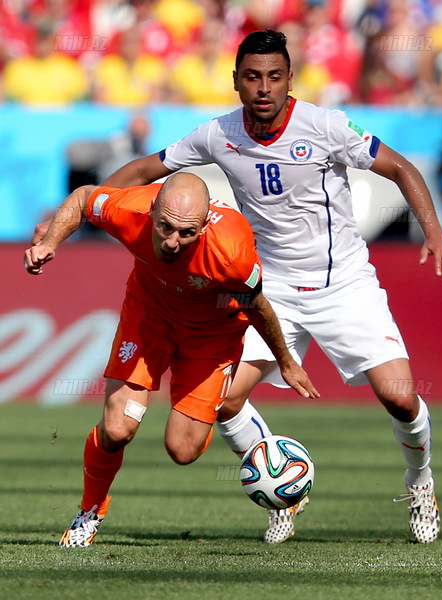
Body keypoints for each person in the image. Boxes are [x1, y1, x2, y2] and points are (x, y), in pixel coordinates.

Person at [37, 29, 442, 545]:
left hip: (343, 284)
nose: (264, 88)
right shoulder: (218, 134)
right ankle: (281, 489)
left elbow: (400, 167)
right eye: (253, 77)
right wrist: (76, 214)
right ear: (236, 81)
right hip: (265, 287)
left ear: (289, 80)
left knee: (400, 397)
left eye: (275, 77)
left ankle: (420, 483)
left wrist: (434, 233)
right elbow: (150, 168)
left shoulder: (326, 126)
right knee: (227, 403)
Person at [24, 172, 318, 548]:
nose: (172, 241)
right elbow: (83, 198)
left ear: (205, 223)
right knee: (116, 430)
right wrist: (51, 242)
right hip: (148, 320)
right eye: (165, 227)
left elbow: (258, 307)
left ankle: (255, 446)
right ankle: (90, 511)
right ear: (153, 210)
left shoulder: (231, 253)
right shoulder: (129, 208)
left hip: (212, 337)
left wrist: (287, 362)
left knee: (182, 450)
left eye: (186, 233)